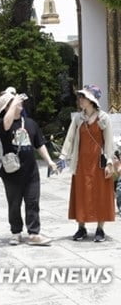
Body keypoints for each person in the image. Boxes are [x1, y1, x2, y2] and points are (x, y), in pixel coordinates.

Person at [0, 87, 57, 246]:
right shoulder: (1, 123)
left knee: (32, 202)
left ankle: (34, 233)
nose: (19, 104)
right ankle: (16, 232)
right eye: (14, 103)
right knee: (14, 204)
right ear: (7, 107)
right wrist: (13, 101)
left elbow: (39, 144)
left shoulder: (30, 123)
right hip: (12, 173)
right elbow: (7, 124)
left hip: (31, 171)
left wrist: (49, 161)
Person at [59, 85, 116, 242]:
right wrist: (64, 156)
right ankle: (81, 227)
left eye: (83, 97)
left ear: (91, 100)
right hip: (82, 161)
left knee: (101, 194)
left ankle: (100, 229)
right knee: (81, 193)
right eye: (80, 97)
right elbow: (70, 137)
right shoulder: (78, 118)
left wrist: (110, 161)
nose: (80, 100)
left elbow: (109, 141)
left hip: (99, 161)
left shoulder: (103, 118)